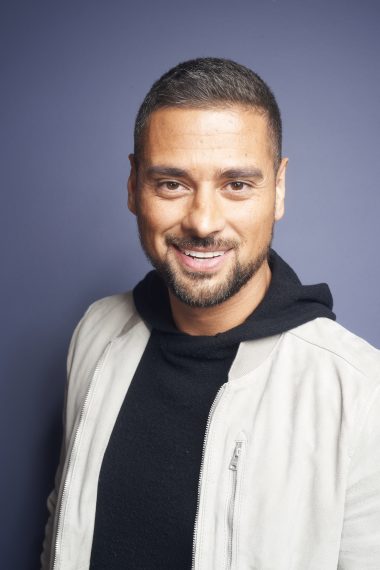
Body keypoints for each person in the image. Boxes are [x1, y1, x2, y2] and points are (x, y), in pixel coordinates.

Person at [41, 58, 380, 570]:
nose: (203, 221)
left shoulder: (360, 394)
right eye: (172, 184)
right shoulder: (96, 331)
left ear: (279, 188)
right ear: (134, 185)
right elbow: (62, 528)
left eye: (237, 185)